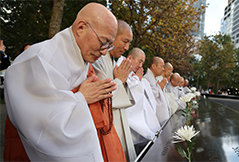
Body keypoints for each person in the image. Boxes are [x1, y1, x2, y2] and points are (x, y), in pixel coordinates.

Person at [4, 3, 126, 161]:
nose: (104, 52)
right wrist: (81, 98)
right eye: (103, 42)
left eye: (109, 46)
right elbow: (40, 125)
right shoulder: (38, 60)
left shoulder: (84, 60)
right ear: (81, 28)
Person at [92, 20, 136, 160]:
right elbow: (99, 98)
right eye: (125, 41)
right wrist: (120, 80)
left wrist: (122, 80)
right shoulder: (97, 59)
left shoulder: (112, 60)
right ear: (113, 35)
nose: (127, 47)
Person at [123, 48, 160, 155]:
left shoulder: (133, 75)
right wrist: (137, 80)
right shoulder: (121, 69)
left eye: (142, 62)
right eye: (140, 61)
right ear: (129, 58)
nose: (140, 65)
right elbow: (126, 93)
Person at [143, 57, 170, 125]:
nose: (163, 69)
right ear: (154, 66)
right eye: (162, 66)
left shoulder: (154, 79)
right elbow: (149, 97)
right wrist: (160, 87)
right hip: (154, 120)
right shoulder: (146, 79)